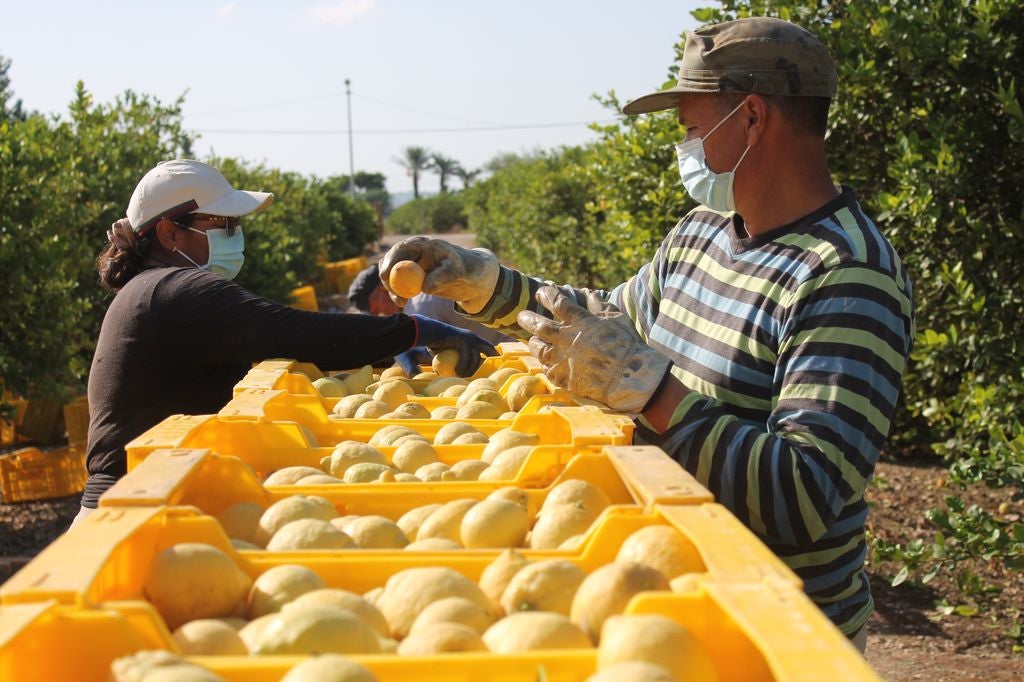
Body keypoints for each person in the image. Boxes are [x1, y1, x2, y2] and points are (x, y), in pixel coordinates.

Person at [379, 18, 914, 653]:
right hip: (661, 596)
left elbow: (805, 495)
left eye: (691, 128)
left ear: (750, 119)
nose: (684, 147)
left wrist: (651, 391)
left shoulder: (846, 275)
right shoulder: (701, 231)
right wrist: (483, 284)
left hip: (768, 634)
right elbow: (610, 322)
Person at [77, 159, 495, 524]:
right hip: (126, 506)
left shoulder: (155, 288)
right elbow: (296, 333)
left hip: (151, 494)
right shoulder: (175, 290)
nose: (236, 235)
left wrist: (383, 343)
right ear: (170, 232)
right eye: (225, 225)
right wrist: (417, 329)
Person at [347, 263, 513, 374]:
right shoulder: (418, 294)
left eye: (376, 309)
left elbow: (438, 361)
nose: (380, 315)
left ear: (384, 292)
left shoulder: (420, 306)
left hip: (510, 349)